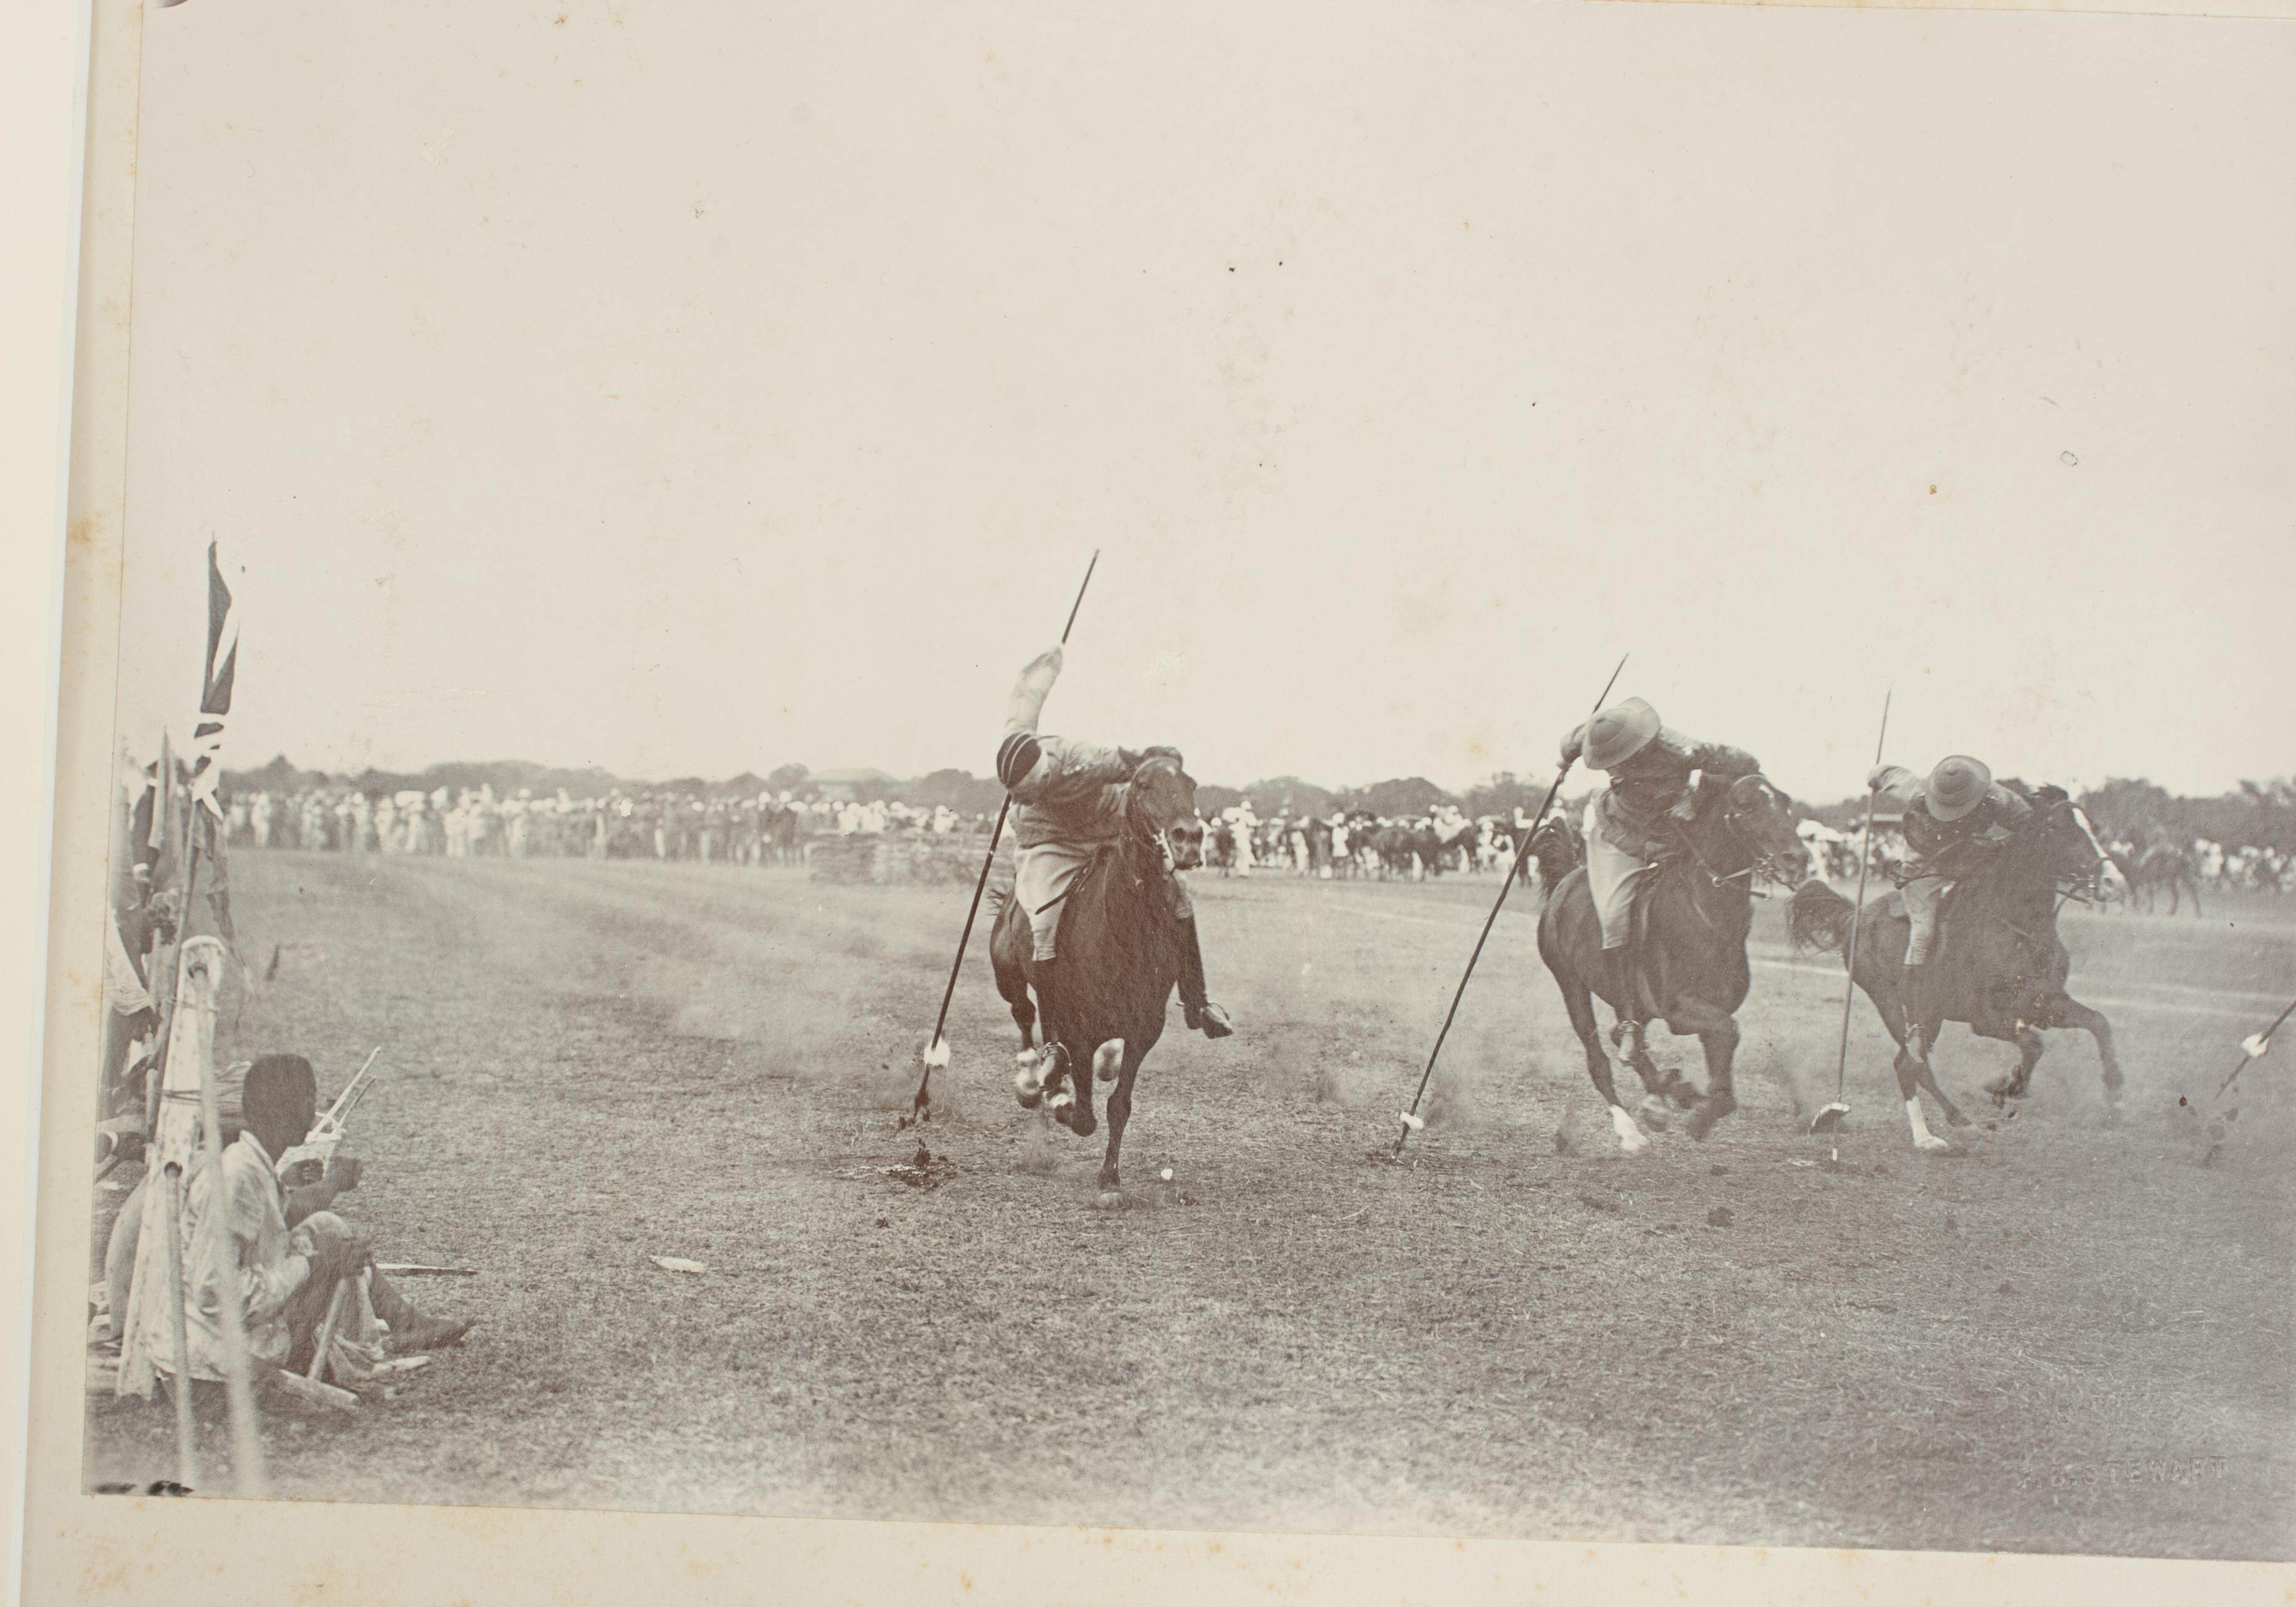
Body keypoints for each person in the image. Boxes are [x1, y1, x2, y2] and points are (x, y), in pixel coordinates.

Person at [167, 1055, 471, 1385]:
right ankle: (362, 1344)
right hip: (223, 1355)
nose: (311, 1114)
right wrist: (314, 1266)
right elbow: (216, 1296)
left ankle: (395, 1329)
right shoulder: (237, 1177)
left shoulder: (251, 1164)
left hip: (229, 1333)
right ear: (284, 1110)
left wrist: (291, 1196)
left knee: (327, 1229)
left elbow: (266, 1238)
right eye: (307, 1100)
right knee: (328, 1250)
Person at [996, 646, 1233, 1047]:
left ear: (1046, 769)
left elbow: (1127, 759)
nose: (1025, 798)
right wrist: (1048, 663)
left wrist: (1159, 756)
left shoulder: (1079, 761)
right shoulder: (1018, 747)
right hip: (1049, 841)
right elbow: (1025, 695)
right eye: (1018, 794)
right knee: (1042, 920)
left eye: (1033, 789)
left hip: (1104, 825)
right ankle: (1053, 1039)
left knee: (1177, 894)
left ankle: (1198, 1002)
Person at [1560, 697, 1760, 1024]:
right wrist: (1564, 757)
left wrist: (1696, 791)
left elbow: (1746, 762)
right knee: (1614, 917)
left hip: (1668, 824)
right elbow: (1568, 743)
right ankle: (1627, 1019)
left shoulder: (1682, 748)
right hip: (1616, 832)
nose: (1621, 762)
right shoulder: (1593, 737)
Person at [1867, 756, 2031, 1045]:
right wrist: (1875, 776)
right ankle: (1917, 1015)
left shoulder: (1999, 798)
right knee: (1924, 932)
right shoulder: (1916, 792)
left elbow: (2027, 821)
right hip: (1923, 869)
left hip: (1970, 864)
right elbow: (1886, 773)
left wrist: (2006, 843)